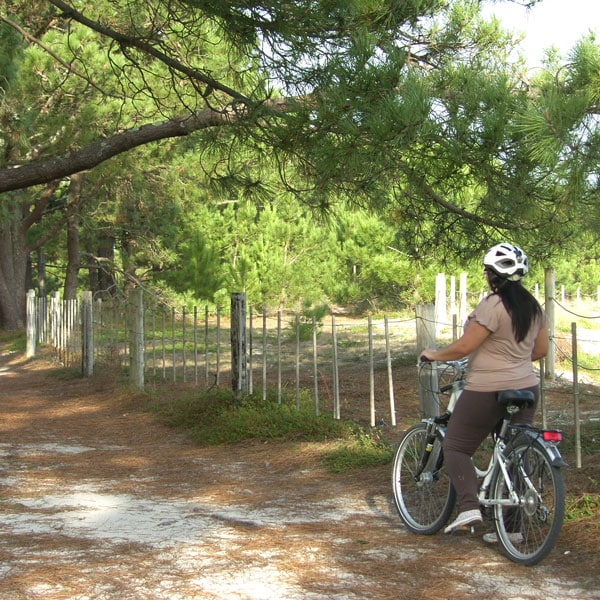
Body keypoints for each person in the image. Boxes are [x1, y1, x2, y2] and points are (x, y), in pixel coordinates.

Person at [420, 243, 549, 537]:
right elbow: (539, 350)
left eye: (487, 271)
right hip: (527, 387)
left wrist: (434, 354)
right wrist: (512, 360)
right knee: (516, 451)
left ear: (492, 275)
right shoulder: (533, 307)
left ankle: (468, 507)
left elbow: (466, 346)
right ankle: (513, 529)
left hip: (487, 389)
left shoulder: (492, 305)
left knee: (456, 445)